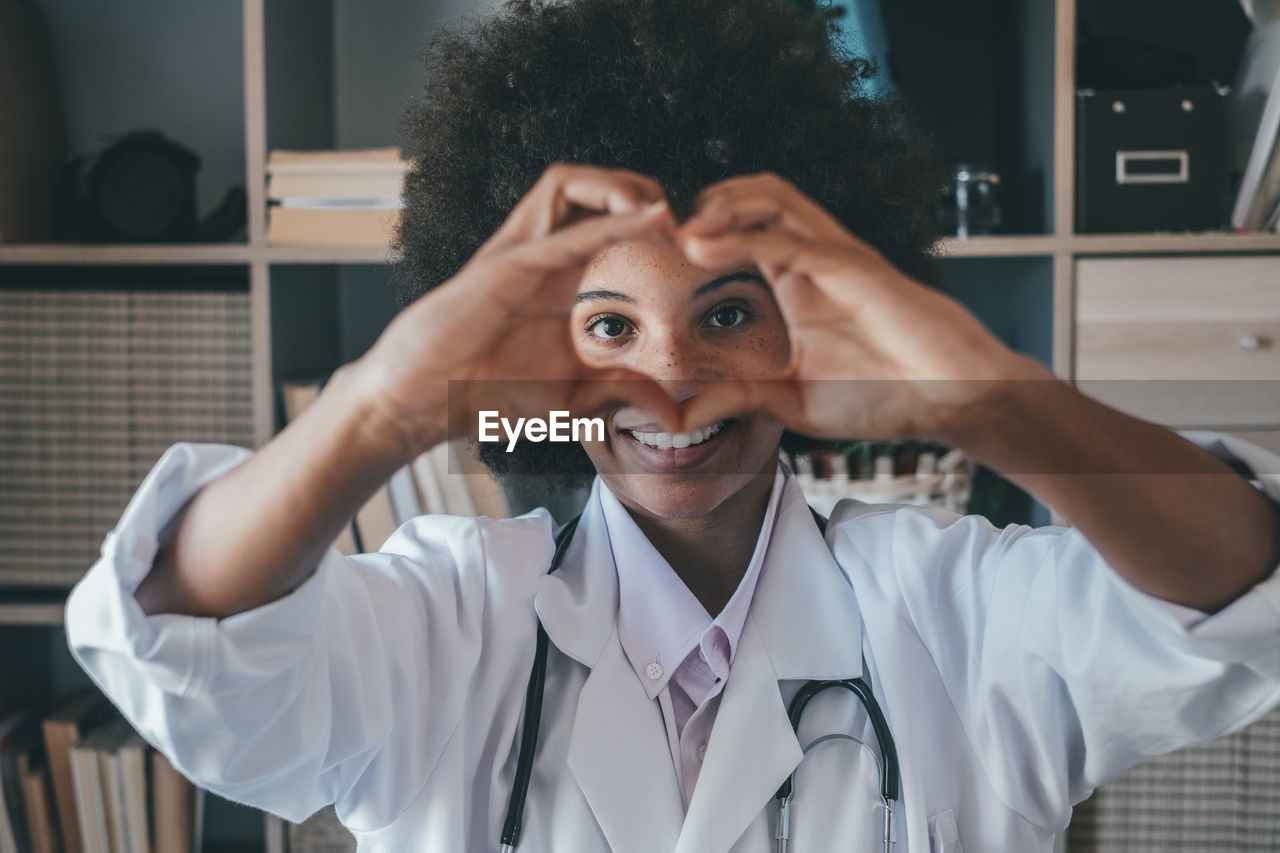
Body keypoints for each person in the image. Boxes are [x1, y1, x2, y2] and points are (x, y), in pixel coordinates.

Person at [67, 0, 1280, 850]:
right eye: (606, 327)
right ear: (541, 355)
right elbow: (185, 636)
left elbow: (1240, 594)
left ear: (804, 332)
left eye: (728, 314)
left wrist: (985, 398)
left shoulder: (956, 611)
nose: (669, 382)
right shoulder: (447, 617)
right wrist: (390, 401)